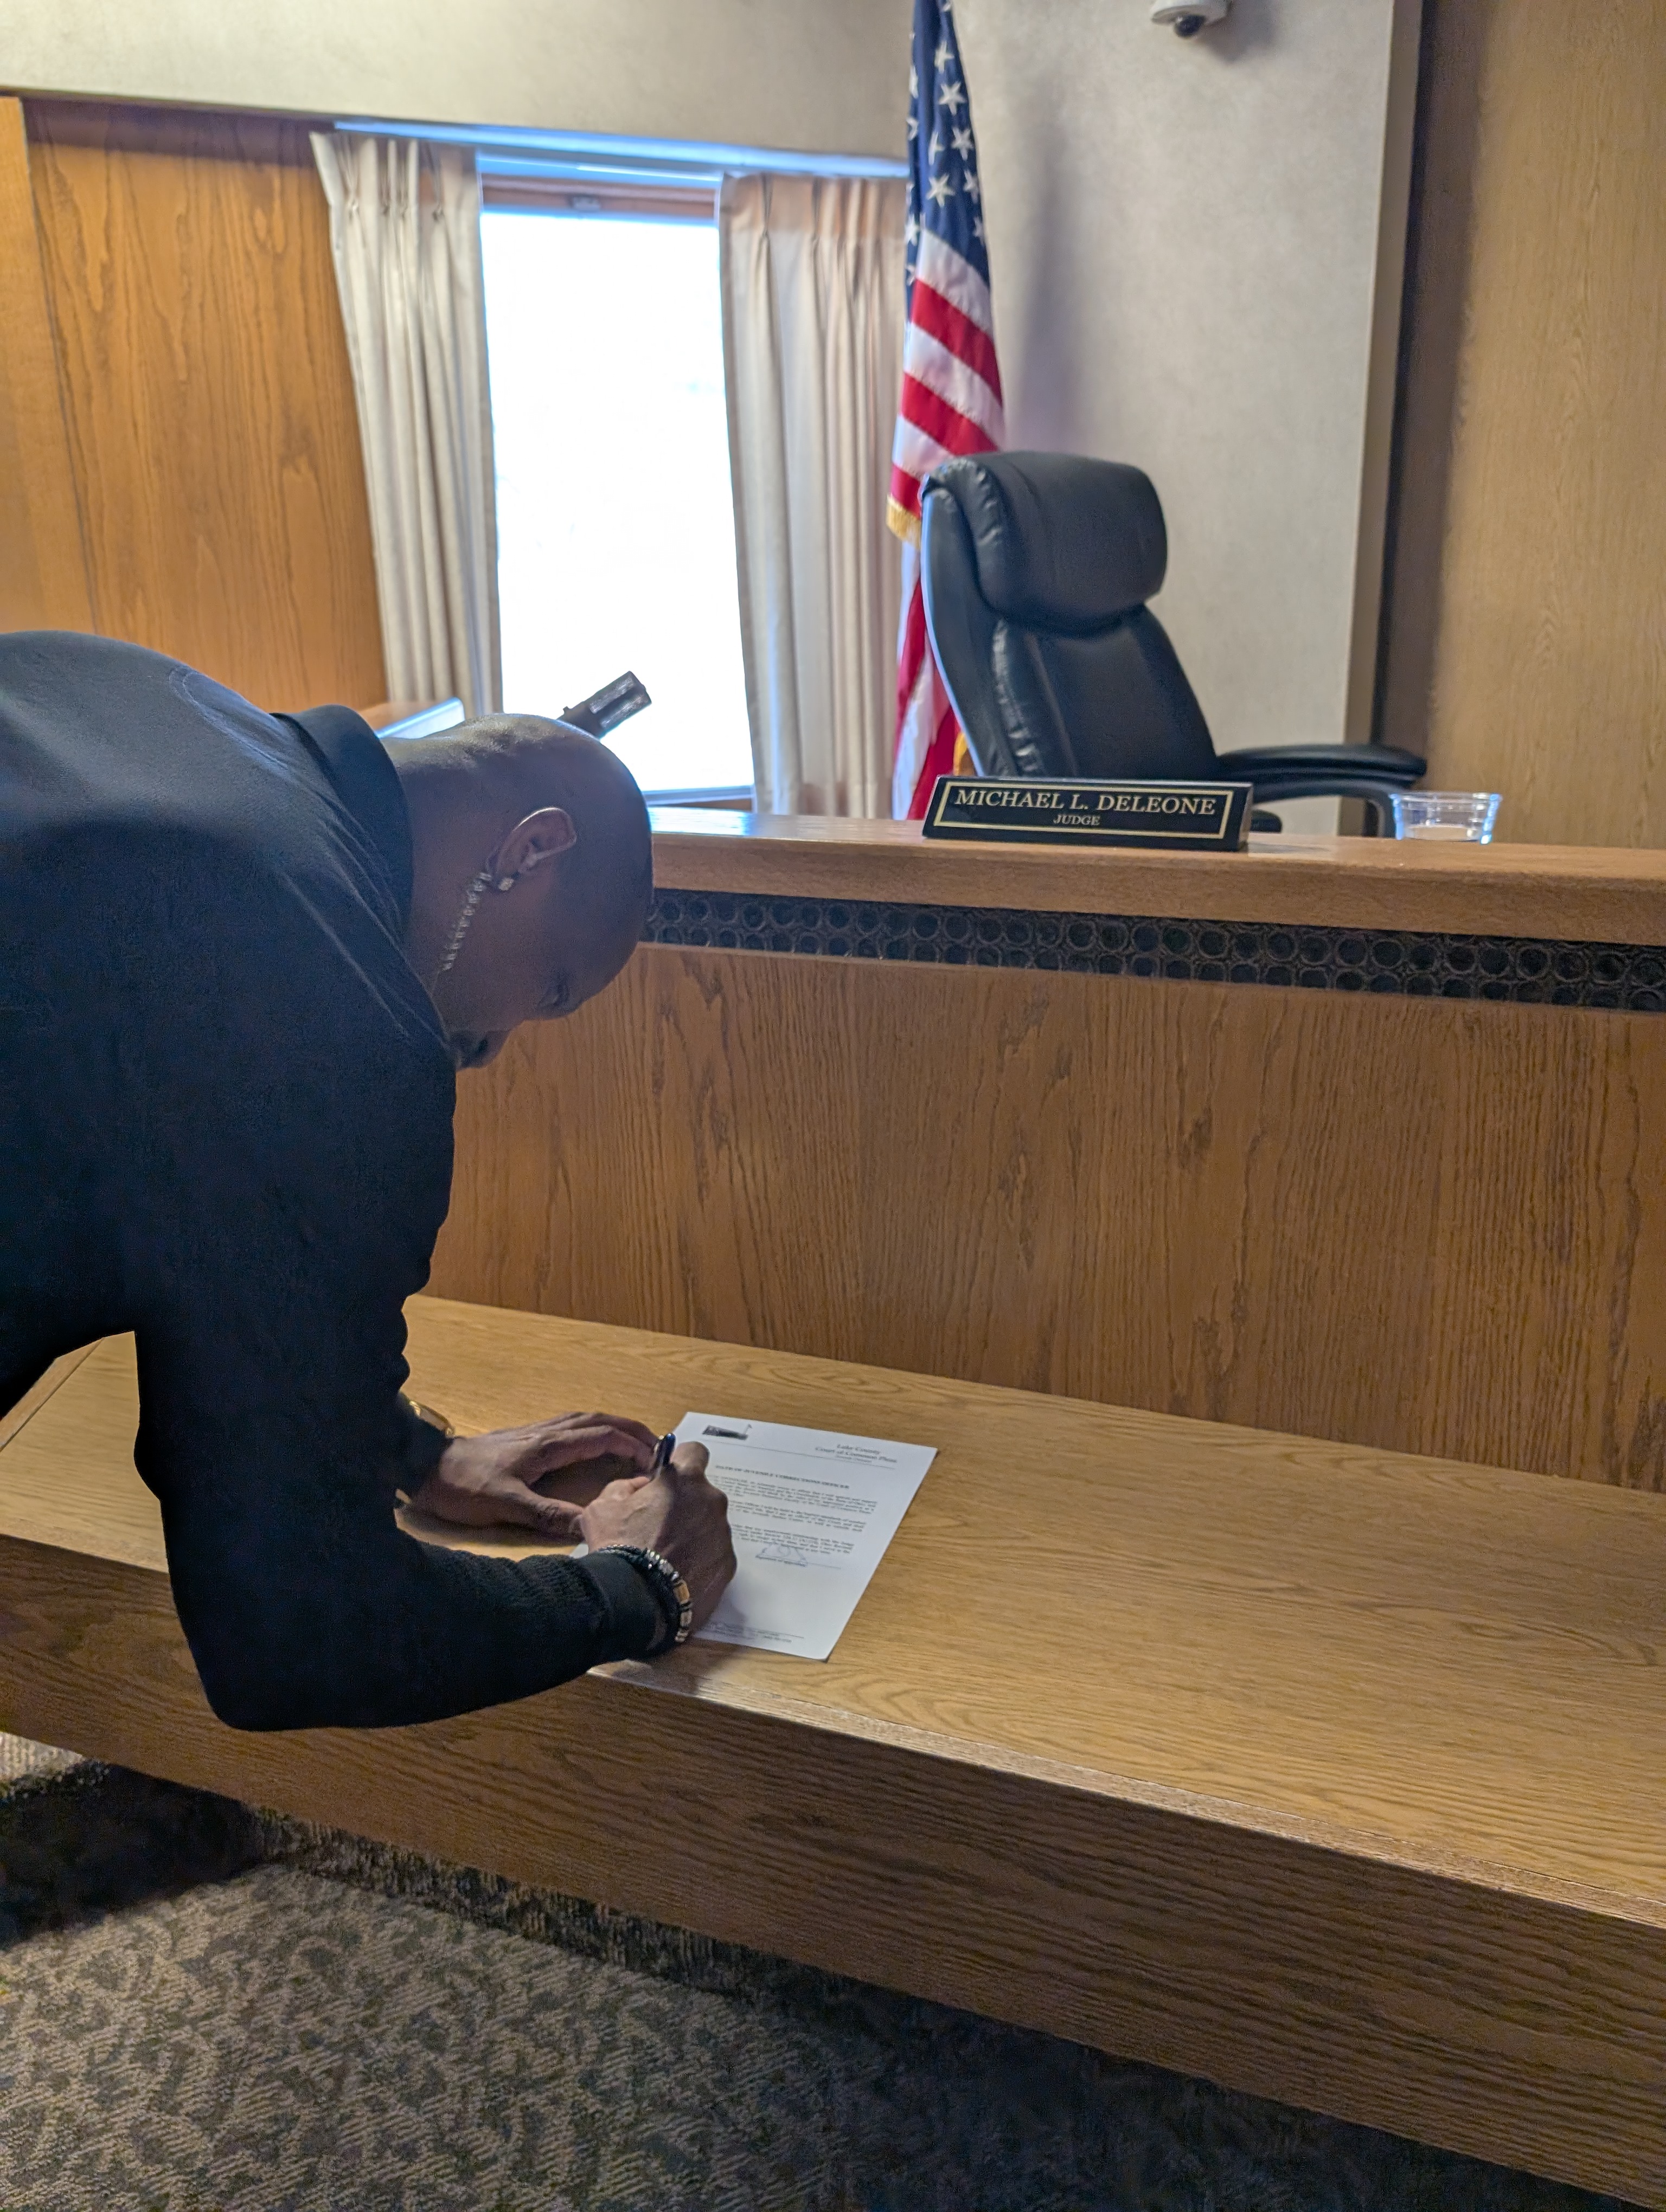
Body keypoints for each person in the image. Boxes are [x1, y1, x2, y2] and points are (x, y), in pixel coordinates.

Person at [0, 630, 736, 1730]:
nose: (493, 1046)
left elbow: (209, 1266)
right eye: (551, 986)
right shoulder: (338, 1015)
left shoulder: (144, 691)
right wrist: (640, 1585)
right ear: (530, 848)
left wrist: (412, 1452)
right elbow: (298, 1630)